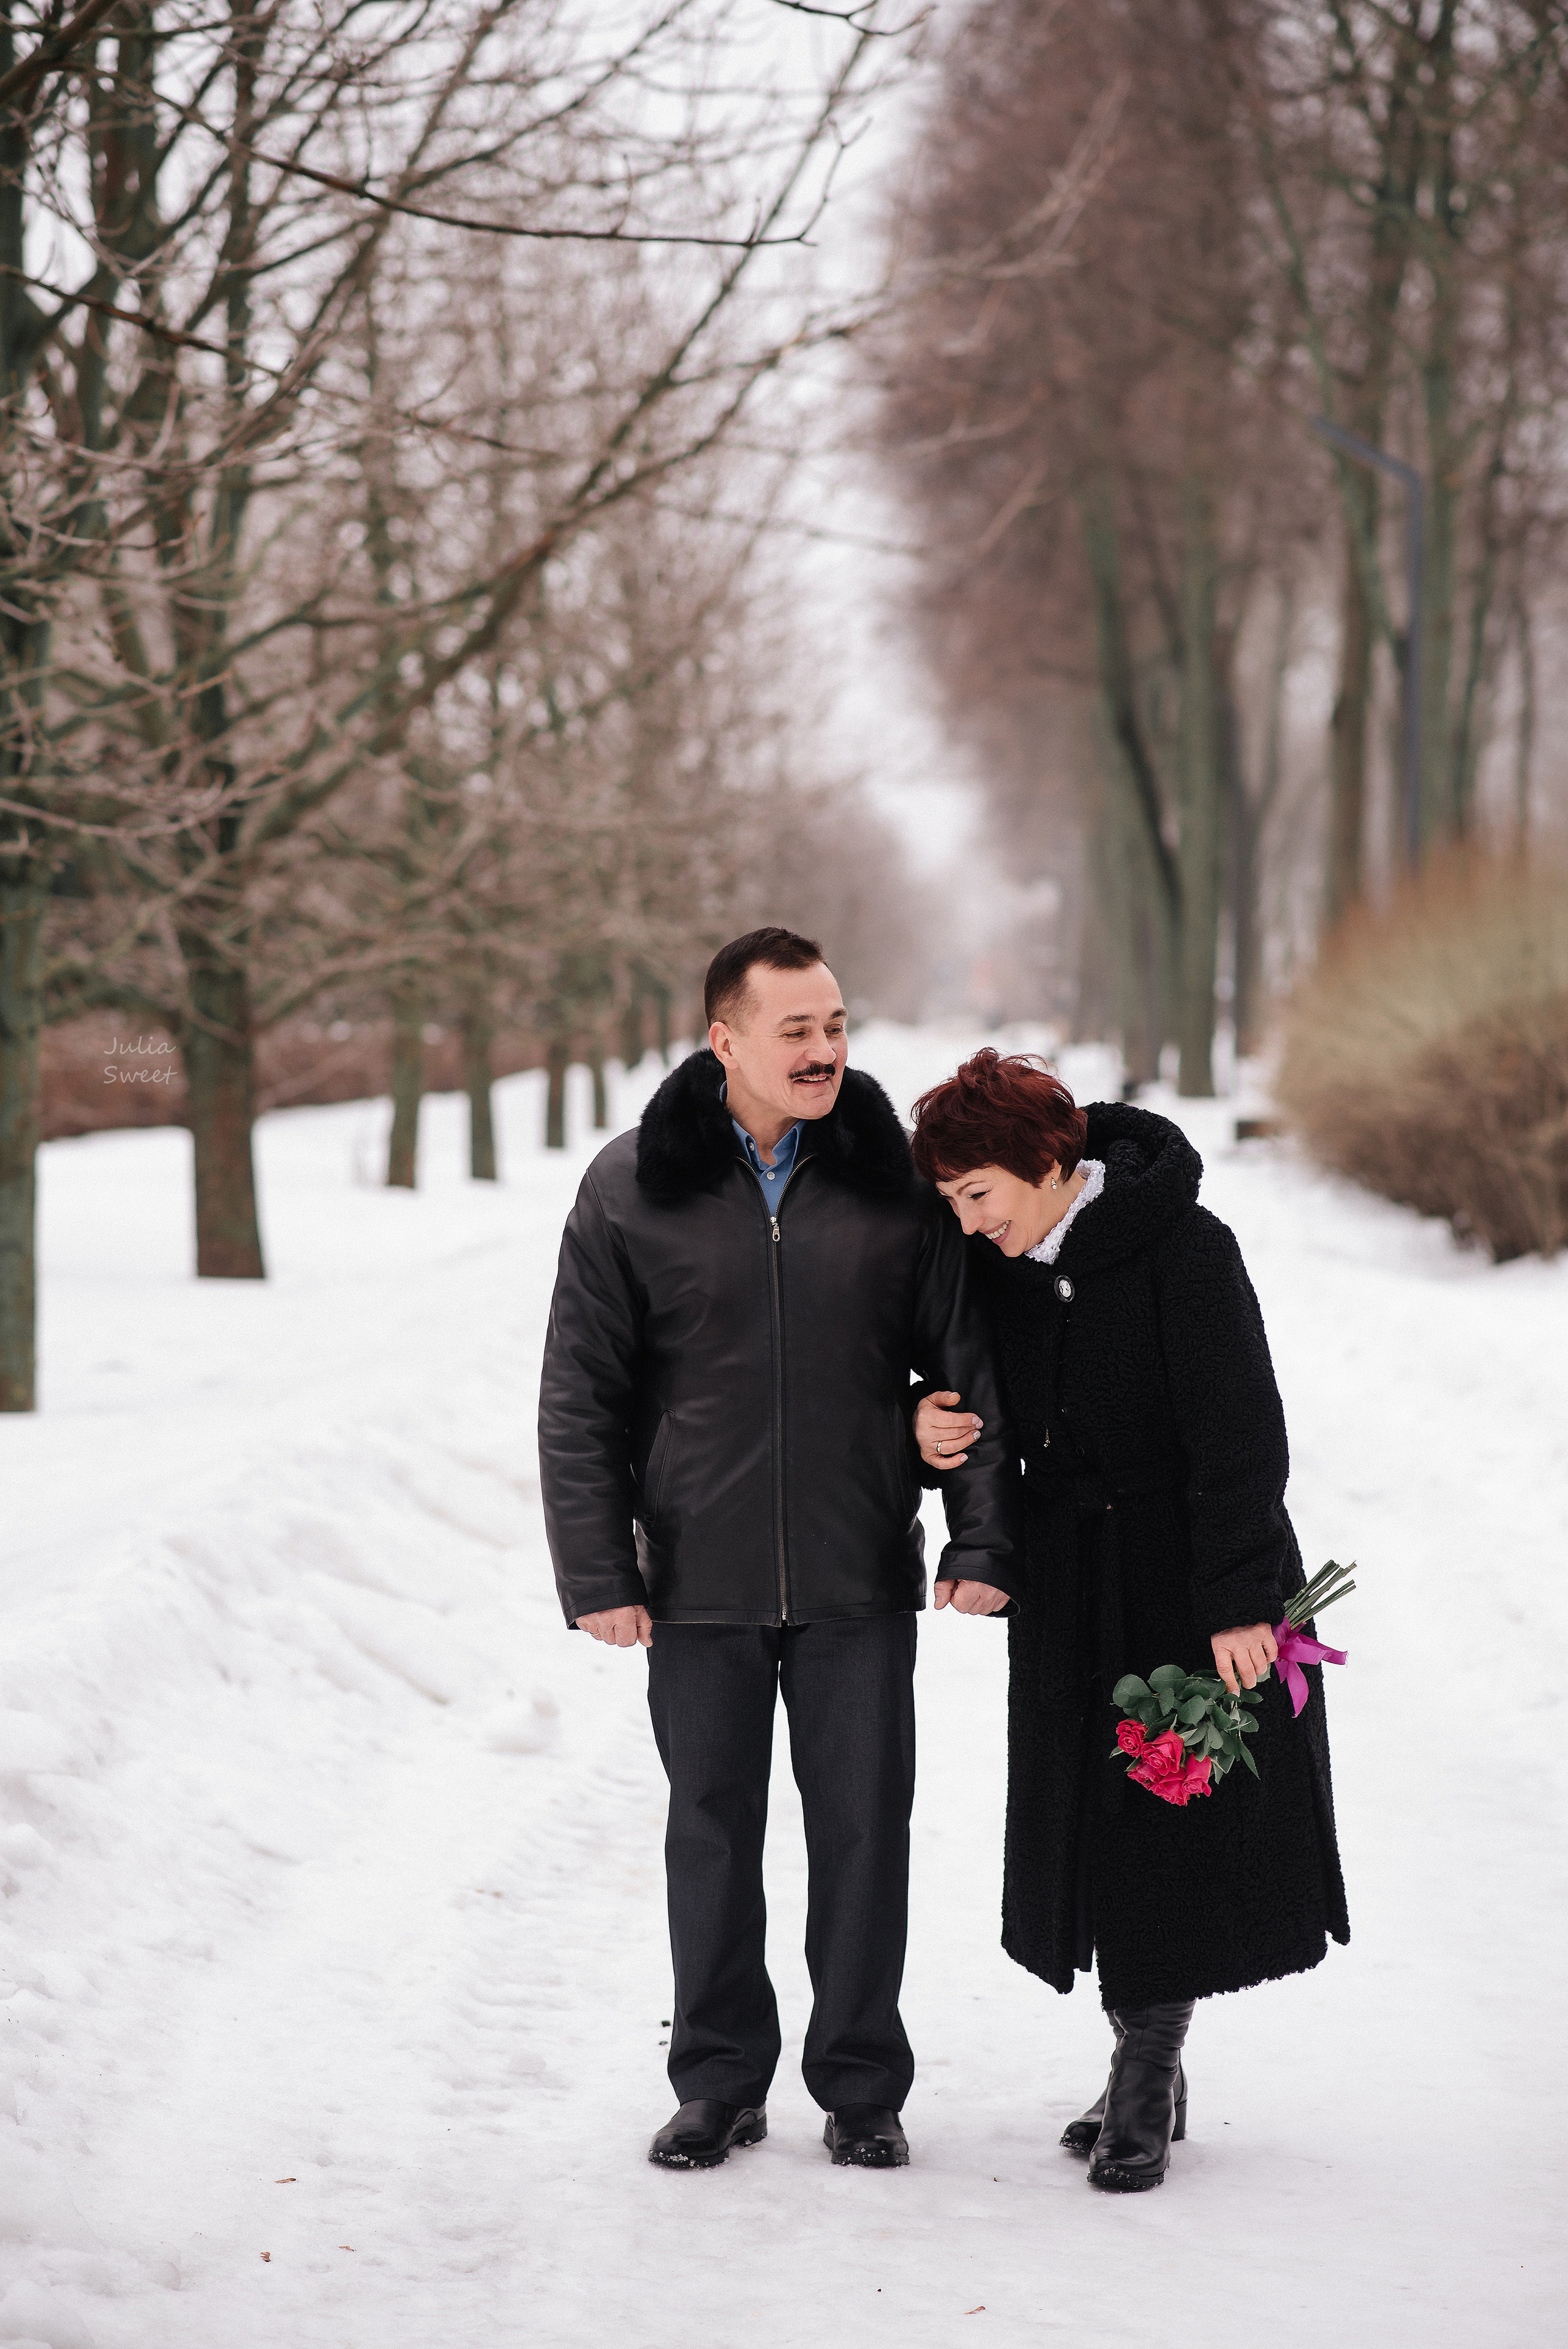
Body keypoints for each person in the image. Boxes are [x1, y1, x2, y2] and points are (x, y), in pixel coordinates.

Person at [538, 931, 1021, 2173]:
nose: (823, 1050)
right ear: (725, 1041)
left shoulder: (891, 1184)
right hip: (694, 1578)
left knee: (864, 1831)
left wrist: (977, 1530)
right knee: (709, 1832)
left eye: (836, 1025)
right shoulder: (627, 1185)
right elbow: (579, 1396)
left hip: (857, 1567)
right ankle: (716, 2082)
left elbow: (962, 1370)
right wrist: (599, 1572)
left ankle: (860, 2087)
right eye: (795, 1029)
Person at [909, 1049, 1349, 2193]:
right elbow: (957, 1385)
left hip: (1182, 1578)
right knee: (1091, 1817)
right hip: (1066, 1583)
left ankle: (1148, 2068)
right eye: (952, 1199)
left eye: (978, 1193)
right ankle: (1137, 2056)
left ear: (1050, 1161)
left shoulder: (1185, 1248)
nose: (967, 1220)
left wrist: (1240, 1597)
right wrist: (928, 1425)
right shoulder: (994, 1265)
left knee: (1172, 1806)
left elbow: (1241, 1430)